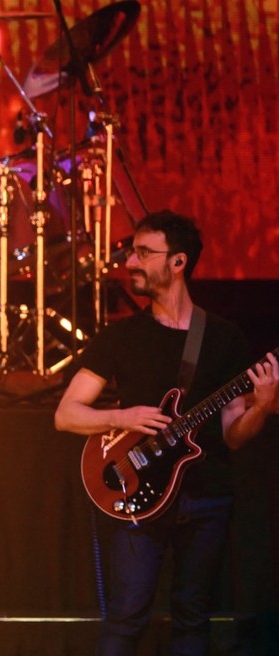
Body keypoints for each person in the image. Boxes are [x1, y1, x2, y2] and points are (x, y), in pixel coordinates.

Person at [54, 210, 279, 655]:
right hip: (138, 495)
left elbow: (234, 432)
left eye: (142, 253)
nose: (130, 263)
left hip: (207, 495)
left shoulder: (223, 338)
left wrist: (265, 406)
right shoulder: (121, 337)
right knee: (126, 617)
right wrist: (122, 418)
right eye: (132, 253)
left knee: (193, 618)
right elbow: (66, 415)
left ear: (177, 263)